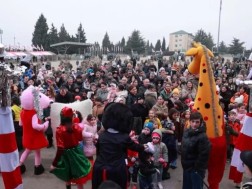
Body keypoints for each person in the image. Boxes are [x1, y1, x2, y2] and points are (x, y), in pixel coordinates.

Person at [92, 103, 151, 189]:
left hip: (99, 167)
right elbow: (135, 146)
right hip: (117, 168)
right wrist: (144, 146)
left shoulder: (102, 135)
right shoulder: (124, 137)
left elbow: (99, 148)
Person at [50, 107, 91, 189]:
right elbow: (80, 139)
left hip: (66, 155)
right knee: (79, 174)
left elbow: (60, 147)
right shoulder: (76, 127)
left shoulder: (60, 130)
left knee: (67, 174)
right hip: (77, 152)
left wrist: (54, 163)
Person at [181, 111, 211, 189]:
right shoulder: (186, 132)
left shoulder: (203, 136)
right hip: (186, 166)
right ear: (189, 121)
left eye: (197, 122)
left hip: (196, 169)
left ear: (200, 123)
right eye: (193, 121)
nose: (194, 124)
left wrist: (196, 168)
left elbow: (204, 155)